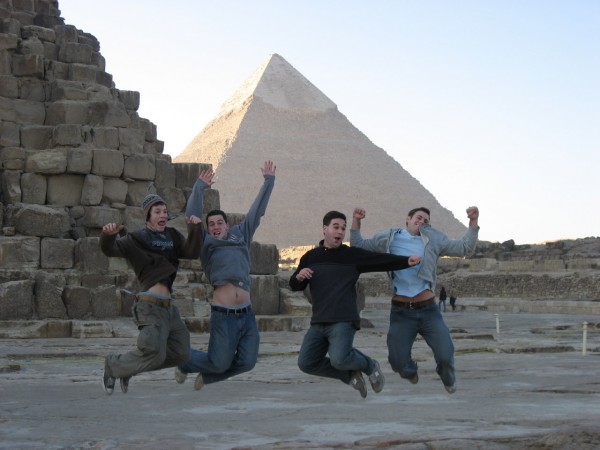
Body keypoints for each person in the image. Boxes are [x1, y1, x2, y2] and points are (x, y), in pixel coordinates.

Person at [289, 211, 421, 398]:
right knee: (306, 363)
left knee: (340, 358)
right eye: (336, 227)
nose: (341, 231)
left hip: (343, 319)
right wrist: (298, 276)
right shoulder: (310, 257)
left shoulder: (351, 255)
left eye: (343, 228)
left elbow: (379, 260)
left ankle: (370, 365)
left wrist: (406, 261)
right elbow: (295, 285)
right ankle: (349, 376)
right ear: (324, 229)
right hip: (319, 321)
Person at [350, 206, 479, 394]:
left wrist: (473, 222)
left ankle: (448, 377)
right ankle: (410, 372)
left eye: (426, 220)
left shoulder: (434, 238)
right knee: (397, 361)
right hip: (401, 312)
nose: (422, 222)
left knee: (446, 354)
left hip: (428, 310)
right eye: (418, 218)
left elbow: (464, 247)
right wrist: (356, 221)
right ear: (407, 219)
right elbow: (359, 245)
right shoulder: (389, 238)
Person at [175, 160, 276, 390]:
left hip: (247, 314)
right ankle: (184, 362)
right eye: (211, 224)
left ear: (228, 225)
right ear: (208, 229)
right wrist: (200, 187)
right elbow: (192, 216)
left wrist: (269, 181)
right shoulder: (206, 242)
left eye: (220, 222)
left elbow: (257, 212)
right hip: (224, 315)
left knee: (248, 362)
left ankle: (208, 376)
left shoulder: (241, 235)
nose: (216, 226)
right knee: (219, 362)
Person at [99, 193, 204, 395]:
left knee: (181, 354)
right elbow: (110, 250)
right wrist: (108, 235)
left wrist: (196, 228)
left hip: (169, 310)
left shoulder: (172, 236)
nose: (162, 215)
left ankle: (127, 368)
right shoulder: (136, 239)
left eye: (165, 211)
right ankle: (113, 365)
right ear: (148, 216)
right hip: (149, 306)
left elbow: (191, 252)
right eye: (157, 212)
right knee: (153, 352)